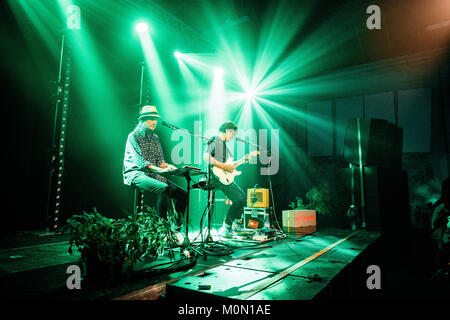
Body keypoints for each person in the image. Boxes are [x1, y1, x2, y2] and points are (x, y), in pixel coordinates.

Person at [123, 105, 188, 227]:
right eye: (151, 119)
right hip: (135, 173)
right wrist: (160, 169)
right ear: (142, 120)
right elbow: (140, 163)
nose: (154, 122)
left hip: (152, 173)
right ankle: (161, 229)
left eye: (155, 119)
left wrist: (171, 167)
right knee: (164, 188)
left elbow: (160, 162)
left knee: (183, 194)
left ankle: (176, 230)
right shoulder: (133, 136)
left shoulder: (155, 138)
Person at [204, 121, 247, 238]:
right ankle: (226, 227)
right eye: (232, 134)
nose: (233, 137)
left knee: (242, 197)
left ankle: (230, 225)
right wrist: (224, 167)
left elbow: (228, 166)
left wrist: (243, 159)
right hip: (216, 177)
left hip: (223, 176)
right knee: (239, 199)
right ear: (227, 131)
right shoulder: (215, 139)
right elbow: (206, 157)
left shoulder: (223, 145)